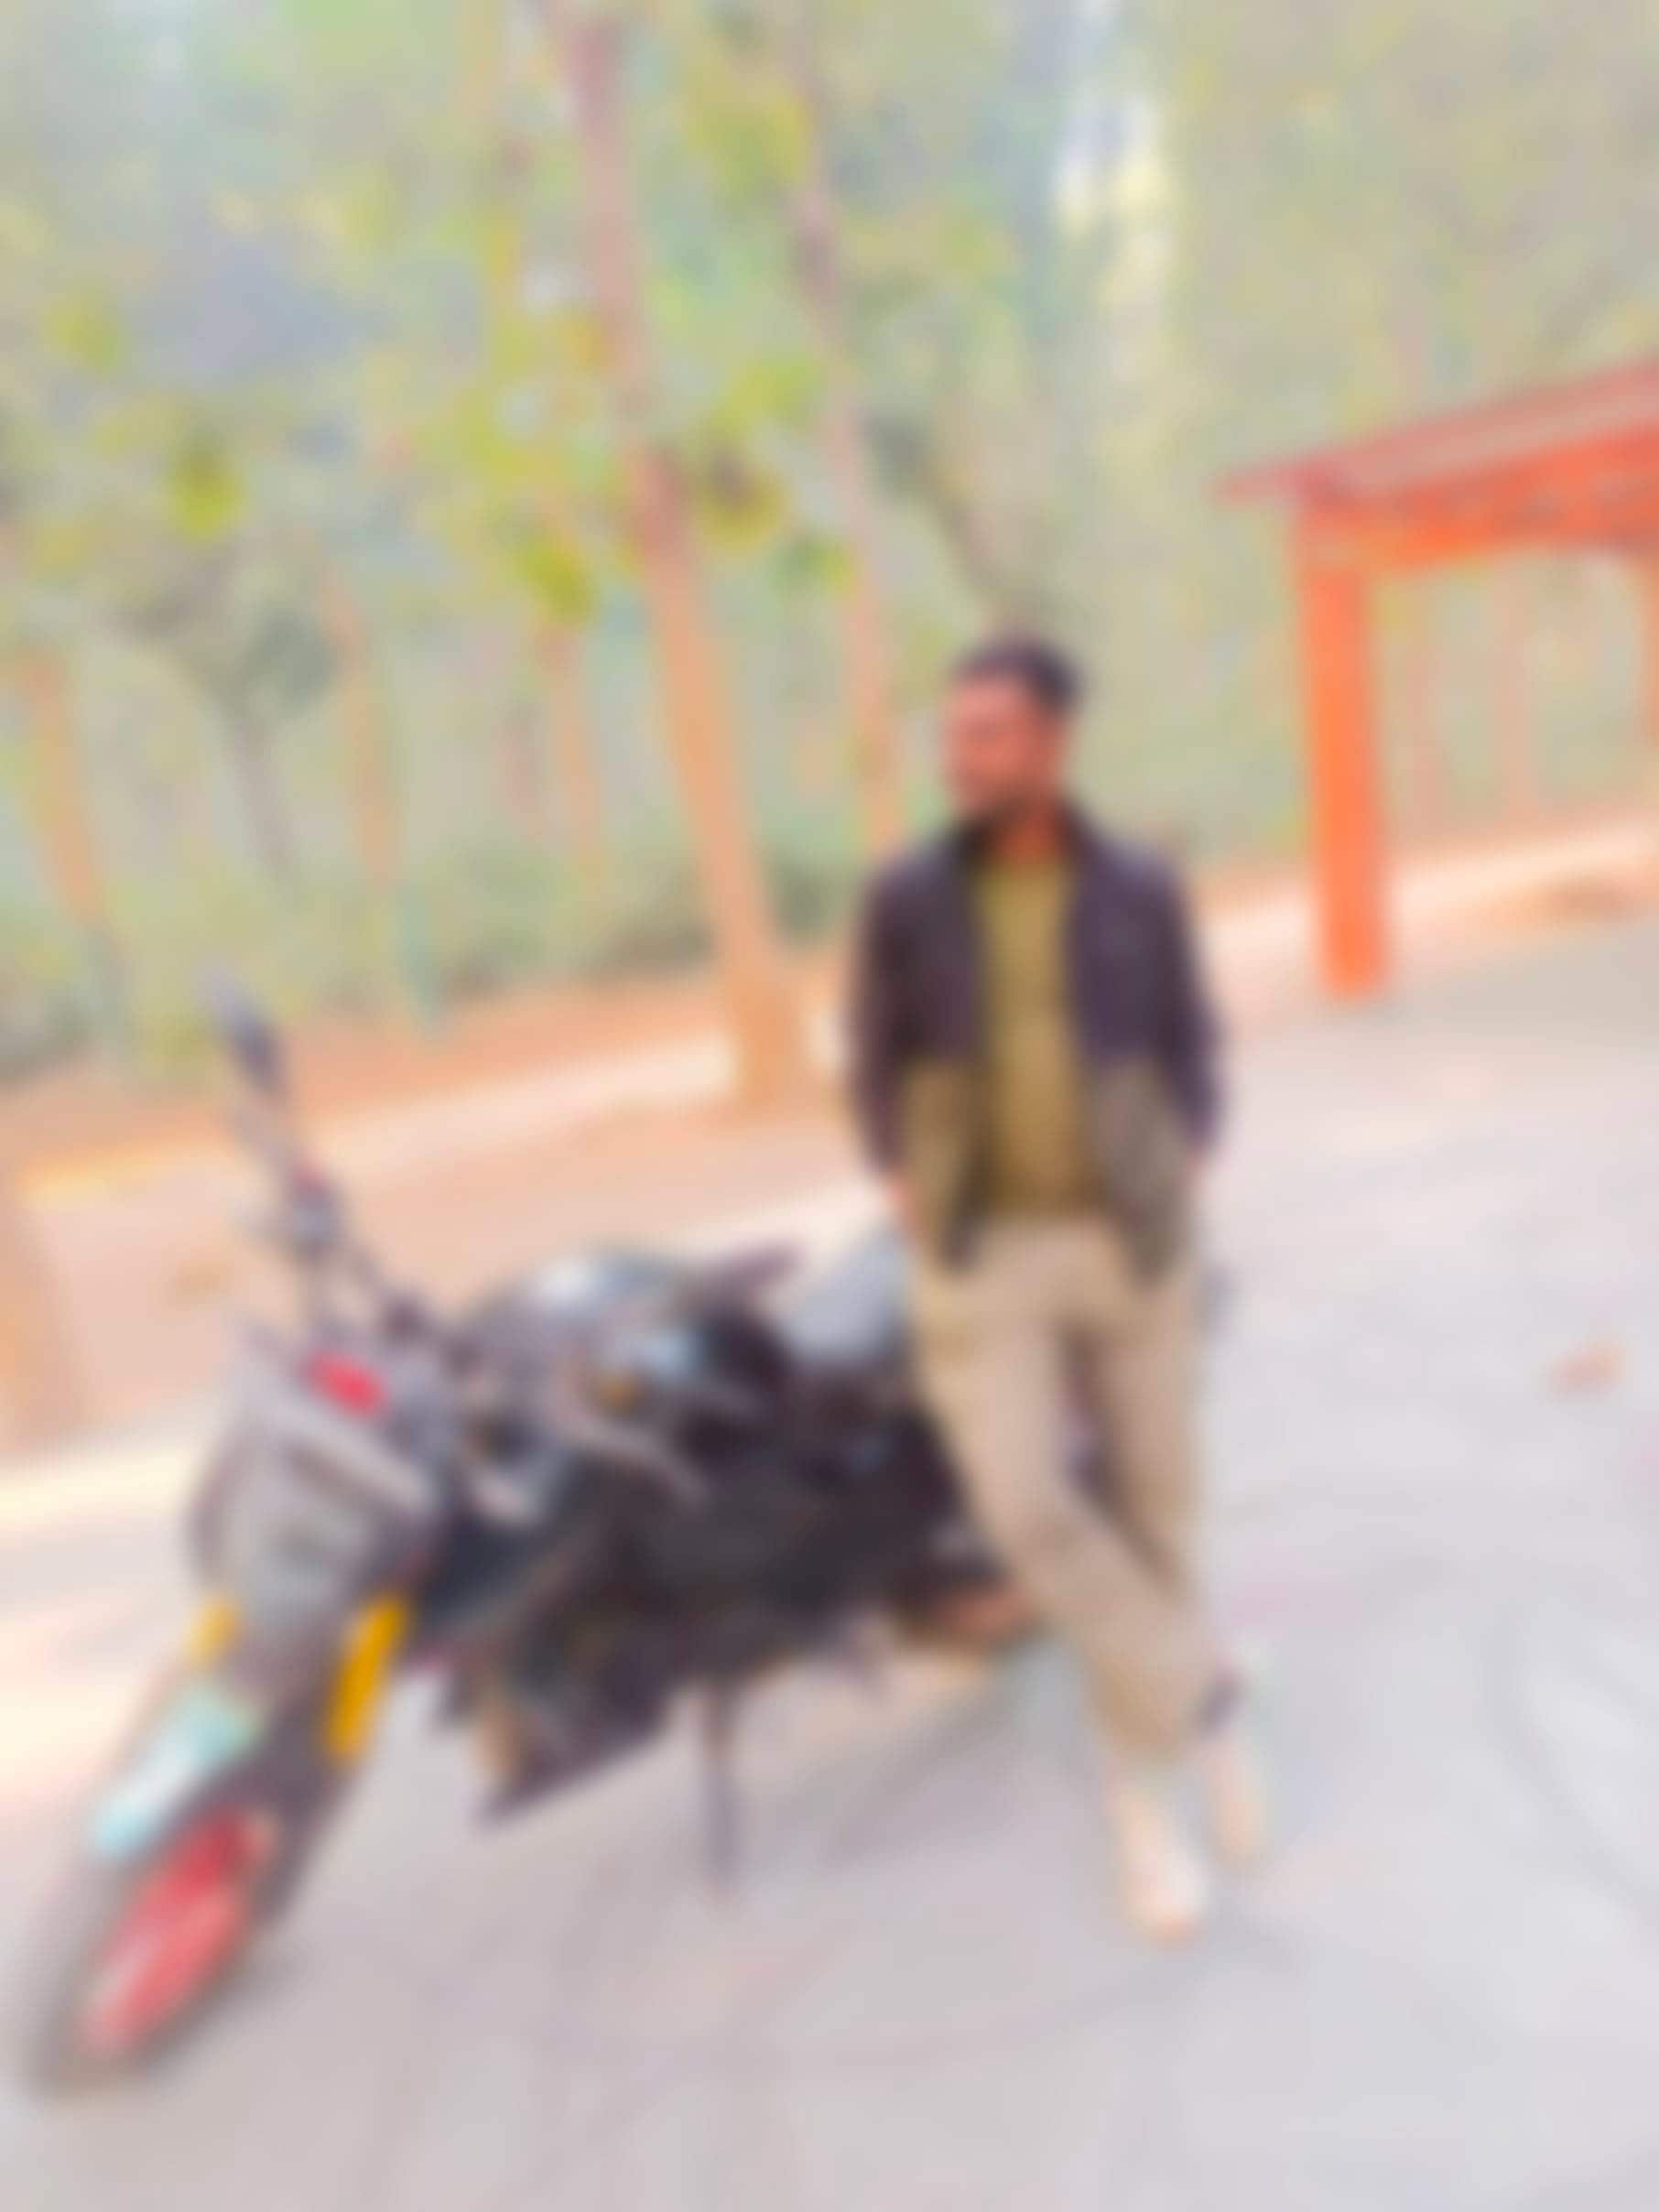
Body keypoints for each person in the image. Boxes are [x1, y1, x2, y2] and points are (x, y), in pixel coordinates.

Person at [847, 634, 1265, 1943]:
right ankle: (1199, 1696)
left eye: (987, 734)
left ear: (1052, 742)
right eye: (953, 733)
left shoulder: (1139, 884)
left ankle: (1149, 1807)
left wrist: (1190, 1150)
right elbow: (872, 1055)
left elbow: (1195, 1040)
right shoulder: (907, 896)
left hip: (1131, 1238)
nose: (959, 757)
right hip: (990, 1252)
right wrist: (898, 1172)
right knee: (1025, 1501)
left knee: (1158, 1514)